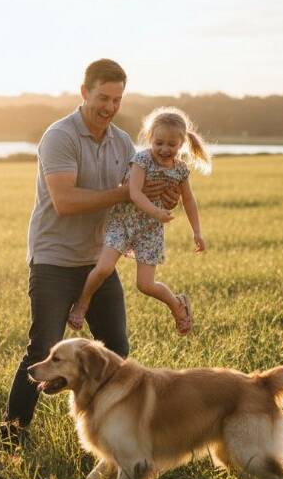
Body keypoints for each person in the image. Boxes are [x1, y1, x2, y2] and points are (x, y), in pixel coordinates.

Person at [2, 59, 180, 442]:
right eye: (103, 97)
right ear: (84, 93)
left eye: (117, 99)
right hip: (53, 260)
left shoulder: (122, 143)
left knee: (115, 351)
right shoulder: (59, 137)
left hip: (98, 261)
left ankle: (118, 434)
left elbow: (138, 196)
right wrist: (127, 193)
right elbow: (64, 201)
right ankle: (11, 439)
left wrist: (162, 198)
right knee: (41, 349)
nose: (110, 107)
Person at [68, 107, 211, 336]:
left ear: (181, 144)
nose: (164, 149)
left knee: (145, 285)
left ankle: (177, 304)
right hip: (123, 222)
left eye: (171, 145)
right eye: (159, 142)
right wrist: (156, 211)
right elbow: (134, 193)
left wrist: (197, 232)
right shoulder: (142, 160)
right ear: (150, 139)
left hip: (150, 231)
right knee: (104, 267)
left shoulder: (181, 170)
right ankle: (82, 304)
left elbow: (189, 200)